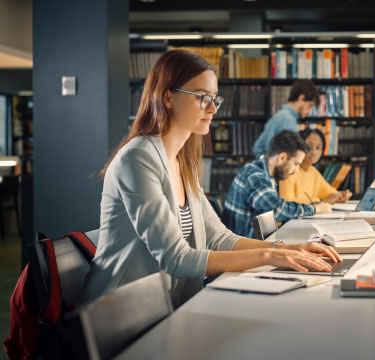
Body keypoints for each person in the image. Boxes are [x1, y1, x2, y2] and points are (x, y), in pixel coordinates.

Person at [81, 50, 341, 308]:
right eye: (202, 98)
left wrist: (287, 249)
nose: (212, 108)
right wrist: (270, 255)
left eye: (215, 99)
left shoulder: (183, 161)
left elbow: (220, 238)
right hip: (117, 316)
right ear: (168, 97)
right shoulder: (137, 158)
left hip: (165, 306)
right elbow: (175, 258)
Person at [223, 130, 333, 238]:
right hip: (244, 250)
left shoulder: (267, 174)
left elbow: (268, 221)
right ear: (282, 158)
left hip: (257, 243)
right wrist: (315, 209)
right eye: (296, 164)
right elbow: (276, 209)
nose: (296, 170)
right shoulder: (254, 175)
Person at [279, 128, 352, 204]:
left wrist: (341, 195)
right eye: (309, 147)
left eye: (318, 148)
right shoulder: (289, 170)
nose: (313, 152)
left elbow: (331, 193)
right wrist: (321, 202)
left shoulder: (313, 171)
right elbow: (286, 202)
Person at [252, 80, 319, 158]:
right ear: (301, 98)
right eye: (310, 105)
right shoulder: (287, 120)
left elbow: (258, 148)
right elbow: (290, 155)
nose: (309, 111)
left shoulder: (282, 116)